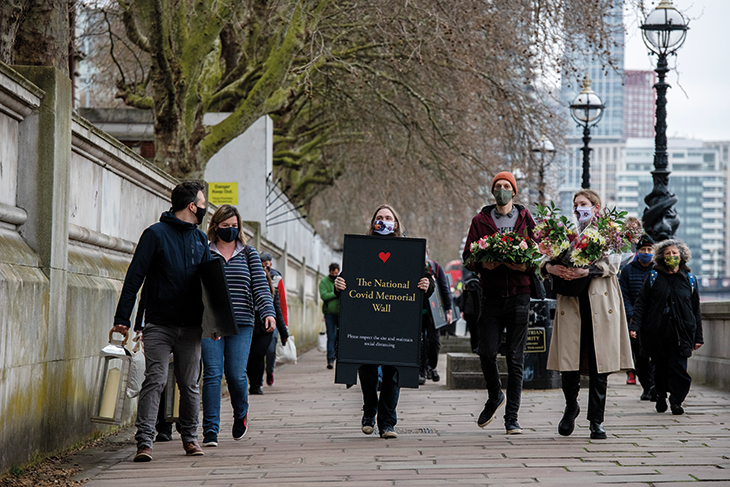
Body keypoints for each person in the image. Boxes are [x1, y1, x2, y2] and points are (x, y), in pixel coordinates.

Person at [111, 181, 211, 462]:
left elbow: (210, 286)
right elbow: (134, 277)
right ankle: (145, 441)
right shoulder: (155, 234)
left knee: (189, 383)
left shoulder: (200, 239)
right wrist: (123, 318)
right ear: (192, 206)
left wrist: (216, 325)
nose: (205, 208)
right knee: (154, 380)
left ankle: (190, 438)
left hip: (192, 326)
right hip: (158, 324)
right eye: (202, 203)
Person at [334, 204, 434, 439]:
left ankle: (387, 422)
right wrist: (340, 283)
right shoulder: (360, 249)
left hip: (398, 322)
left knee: (393, 372)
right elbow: (349, 278)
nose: (384, 221)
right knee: (367, 369)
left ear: (396, 223)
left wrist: (426, 285)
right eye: (379, 217)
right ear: (372, 222)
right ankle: (370, 410)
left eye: (388, 218)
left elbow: (425, 278)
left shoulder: (409, 251)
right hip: (367, 320)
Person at [543, 189, 633, 440]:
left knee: (599, 363)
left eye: (583, 204)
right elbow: (543, 258)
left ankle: (596, 421)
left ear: (596, 206)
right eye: (575, 205)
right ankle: (571, 406)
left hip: (600, 303)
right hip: (572, 301)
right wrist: (551, 266)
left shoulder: (609, 232)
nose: (578, 208)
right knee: (568, 364)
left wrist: (588, 270)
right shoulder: (566, 234)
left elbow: (615, 263)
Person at [462, 171, 535, 435]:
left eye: (507, 186)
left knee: (515, 358)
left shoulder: (526, 218)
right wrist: (483, 263)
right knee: (486, 352)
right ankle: (495, 396)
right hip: (491, 296)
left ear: (514, 192)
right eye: (498, 186)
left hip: (519, 295)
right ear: (493, 191)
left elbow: (537, 255)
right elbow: (468, 257)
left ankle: (511, 418)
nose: (502, 190)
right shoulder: (480, 220)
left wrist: (523, 263)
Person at [199, 205, 276, 447]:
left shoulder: (249, 254)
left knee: (235, 375)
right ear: (215, 227)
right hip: (212, 323)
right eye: (226, 226)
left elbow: (261, 287)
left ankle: (240, 413)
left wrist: (268, 312)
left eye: (235, 226)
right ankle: (210, 430)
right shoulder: (205, 252)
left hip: (242, 323)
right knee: (212, 375)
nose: (231, 230)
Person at [630, 239, 703, 415]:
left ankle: (676, 401)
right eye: (668, 254)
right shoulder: (654, 277)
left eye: (675, 253)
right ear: (662, 257)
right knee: (660, 367)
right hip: (656, 331)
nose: (671, 256)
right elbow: (642, 303)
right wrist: (635, 326)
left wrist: (698, 337)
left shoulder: (690, 279)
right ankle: (660, 395)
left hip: (681, 332)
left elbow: (696, 309)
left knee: (679, 368)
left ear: (682, 256)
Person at [619, 234, 657, 400]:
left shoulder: (657, 270)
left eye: (649, 250)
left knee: (656, 356)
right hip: (635, 320)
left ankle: (657, 386)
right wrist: (630, 315)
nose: (646, 252)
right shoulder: (627, 270)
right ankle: (647, 387)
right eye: (643, 250)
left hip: (655, 320)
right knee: (640, 357)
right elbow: (624, 294)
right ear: (638, 251)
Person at [247, 266, 289, 395]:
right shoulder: (247, 292)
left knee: (259, 356)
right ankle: (251, 381)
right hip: (249, 329)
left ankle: (256, 384)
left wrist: (284, 333)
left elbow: (278, 313)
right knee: (249, 357)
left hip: (265, 331)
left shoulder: (272, 293)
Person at [420, 254, 452, 384]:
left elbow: (445, 288)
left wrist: (449, 309)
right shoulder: (414, 266)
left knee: (434, 341)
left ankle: (431, 367)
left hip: (434, 312)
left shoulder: (436, 268)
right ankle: (420, 372)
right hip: (419, 311)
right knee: (420, 342)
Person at [260, 252, 288, 385]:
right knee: (258, 352)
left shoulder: (277, 277)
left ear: (270, 263)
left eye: (266, 265)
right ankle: (257, 379)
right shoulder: (255, 275)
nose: (264, 268)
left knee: (271, 350)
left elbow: (281, 303)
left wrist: (285, 327)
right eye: (262, 265)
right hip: (258, 320)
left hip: (274, 320)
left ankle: (270, 370)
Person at [319, 263, 341, 369]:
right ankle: (330, 360)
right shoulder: (324, 282)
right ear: (330, 272)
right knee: (331, 337)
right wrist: (336, 293)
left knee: (341, 337)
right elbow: (324, 295)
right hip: (330, 314)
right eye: (333, 273)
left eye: (336, 273)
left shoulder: (341, 281)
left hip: (341, 314)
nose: (335, 275)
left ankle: (340, 358)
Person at [458, 268, 482, 353]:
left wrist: (462, 309)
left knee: (473, 331)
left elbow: (463, 296)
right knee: (477, 331)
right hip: (476, 309)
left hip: (469, 310)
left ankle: (475, 348)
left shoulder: (468, 280)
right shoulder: (479, 280)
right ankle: (478, 347)